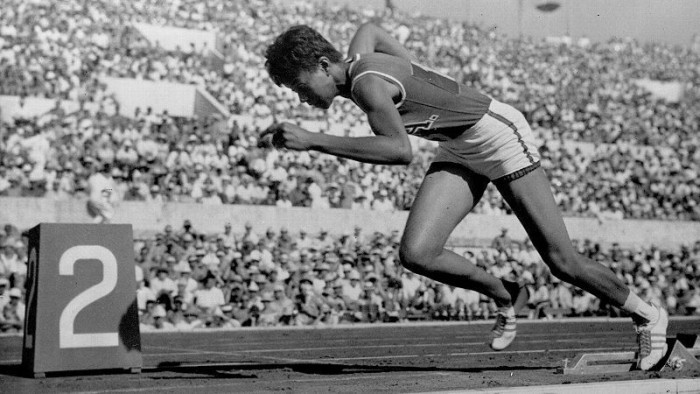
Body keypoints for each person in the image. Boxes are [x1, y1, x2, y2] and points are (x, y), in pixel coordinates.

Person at [261, 23, 668, 369]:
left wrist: (313, 140)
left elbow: (399, 152)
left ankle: (649, 317)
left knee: (562, 262)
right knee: (417, 253)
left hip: (497, 137)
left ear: (323, 65)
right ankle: (506, 292)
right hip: (458, 145)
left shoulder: (367, 84)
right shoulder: (356, 62)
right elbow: (371, 31)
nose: (302, 98)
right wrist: (419, 74)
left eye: (300, 86)